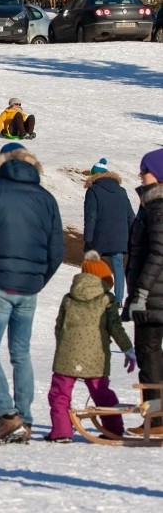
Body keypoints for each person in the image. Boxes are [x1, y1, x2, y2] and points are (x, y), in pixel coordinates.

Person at [0, 142, 63, 444]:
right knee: (21, 353)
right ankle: (26, 419)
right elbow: (56, 250)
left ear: (2, 162)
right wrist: (37, 279)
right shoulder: (46, 198)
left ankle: (8, 417)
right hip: (29, 287)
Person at [46, 251, 135, 443]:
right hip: (96, 355)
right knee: (101, 392)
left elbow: (59, 326)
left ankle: (61, 432)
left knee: (60, 393)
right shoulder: (106, 299)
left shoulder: (69, 297)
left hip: (67, 353)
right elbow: (115, 327)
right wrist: (128, 349)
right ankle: (114, 429)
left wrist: (63, 346)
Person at [123, 147, 163, 435]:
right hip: (153, 295)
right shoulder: (151, 206)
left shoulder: (158, 209)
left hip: (153, 297)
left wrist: (140, 292)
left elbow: (158, 254)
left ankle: (159, 419)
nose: (140, 176)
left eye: (144, 171)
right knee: (151, 358)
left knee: (149, 357)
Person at [84, 157, 135, 307]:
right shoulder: (121, 191)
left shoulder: (93, 191)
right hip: (120, 235)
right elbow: (130, 216)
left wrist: (88, 239)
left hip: (100, 235)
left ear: (94, 175)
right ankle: (118, 300)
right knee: (118, 266)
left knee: (93, 264)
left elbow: (91, 216)